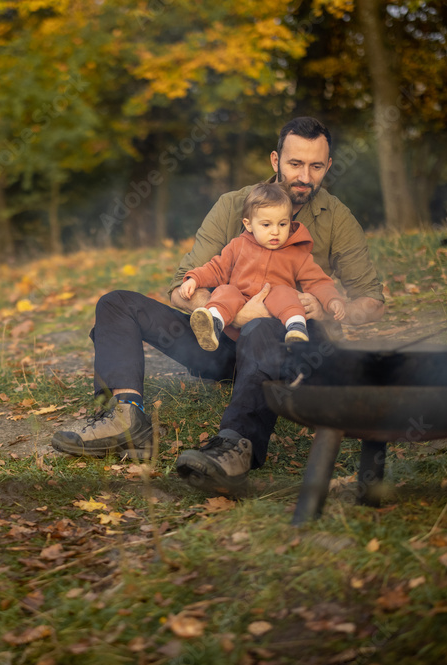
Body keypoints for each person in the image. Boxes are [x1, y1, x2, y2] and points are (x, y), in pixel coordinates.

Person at [51, 117, 385, 496]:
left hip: (292, 347)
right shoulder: (232, 205)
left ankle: (235, 444)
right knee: (117, 304)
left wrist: (326, 308)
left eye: (316, 166)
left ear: (327, 165)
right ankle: (126, 415)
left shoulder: (336, 217)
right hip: (220, 338)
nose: (305, 176)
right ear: (275, 160)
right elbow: (180, 288)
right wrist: (228, 311)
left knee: (263, 327)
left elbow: (372, 302)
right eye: (295, 164)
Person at [179, 182, 346, 351]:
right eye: (266, 225)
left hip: (273, 319)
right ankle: (213, 324)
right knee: (225, 291)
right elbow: (216, 268)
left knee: (285, 293)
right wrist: (194, 279)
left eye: (282, 224)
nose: (275, 231)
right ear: (248, 224)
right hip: (240, 306)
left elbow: (318, 281)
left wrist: (332, 300)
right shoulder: (238, 245)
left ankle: (296, 328)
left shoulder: (296, 254)